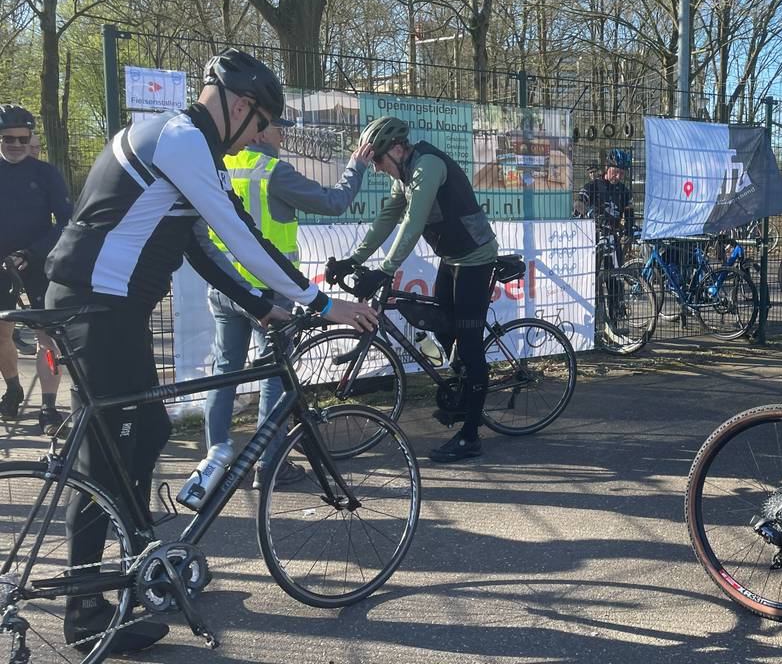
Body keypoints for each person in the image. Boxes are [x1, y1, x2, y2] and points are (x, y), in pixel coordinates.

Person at [44, 48, 376, 654]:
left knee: (143, 432)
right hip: (96, 307)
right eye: (258, 125)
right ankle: (86, 611)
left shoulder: (181, 143)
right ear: (241, 106)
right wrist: (321, 303)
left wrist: (260, 306)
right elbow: (234, 229)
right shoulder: (180, 140)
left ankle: (143, 564)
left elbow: (198, 244)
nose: (255, 138)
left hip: (107, 309)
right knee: (105, 458)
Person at [205, 116, 370, 490]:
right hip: (269, 293)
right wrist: (356, 167)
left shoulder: (223, 165)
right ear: (261, 131)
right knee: (274, 379)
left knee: (225, 374)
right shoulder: (273, 172)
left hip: (225, 288)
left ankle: (214, 460)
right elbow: (334, 202)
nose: (284, 135)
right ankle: (270, 464)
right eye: (280, 128)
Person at [326, 116, 499, 464]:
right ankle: (462, 395)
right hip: (452, 258)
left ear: (397, 149)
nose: (375, 168)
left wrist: (385, 269)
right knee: (444, 328)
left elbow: (413, 220)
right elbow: (388, 217)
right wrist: (352, 259)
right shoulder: (403, 175)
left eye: (377, 160)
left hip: (476, 259)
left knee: (469, 344)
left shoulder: (428, 165)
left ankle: (470, 436)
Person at [0, 104, 71, 431]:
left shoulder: (45, 174)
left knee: (48, 338)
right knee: (2, 335)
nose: (15, 144)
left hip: (39, 262)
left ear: (31, 138)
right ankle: (13, 388)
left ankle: (48, 406)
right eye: (7, 138)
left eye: (21, 138)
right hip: (2, 268)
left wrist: (33, 251)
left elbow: (66, 222)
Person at [583, 149, 632, 230]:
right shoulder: (593, 185)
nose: (618, 176)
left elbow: (629, 215)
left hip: (614, 235)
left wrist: (628, 232)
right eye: (615, 172)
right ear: (606, 167)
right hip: (593, 233)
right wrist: (590, 213)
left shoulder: (624, 190)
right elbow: (577, 204)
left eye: (622, 173)